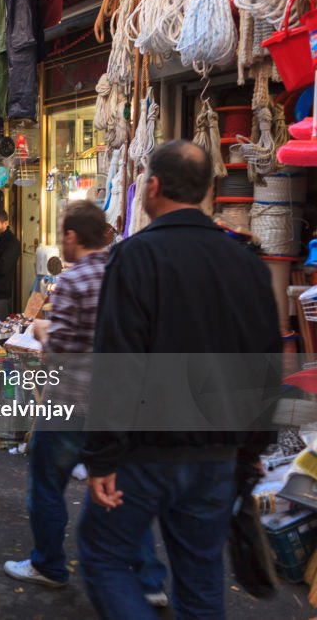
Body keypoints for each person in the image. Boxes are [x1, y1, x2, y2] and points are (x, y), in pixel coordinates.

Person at [78, 141, 281, 618]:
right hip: (217, 455)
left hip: (145, 454)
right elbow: (266, 361)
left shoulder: (136, 257)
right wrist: (251, 451)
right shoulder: (248, 263)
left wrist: (102, 456)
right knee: (201, 580)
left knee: (104, 558)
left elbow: (119, 362)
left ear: (152, 188)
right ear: (210, 190)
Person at [2, 201, 168, 606]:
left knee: (46, 485)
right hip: (119, 405)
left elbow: (62, 346)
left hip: (70, 404)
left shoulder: (74, 281)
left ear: (73, 237)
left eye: (64, 234)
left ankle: (49, 564)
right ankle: (148, 580)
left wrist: (42, 330)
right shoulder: (126, 273)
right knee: (122, 490)